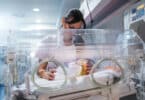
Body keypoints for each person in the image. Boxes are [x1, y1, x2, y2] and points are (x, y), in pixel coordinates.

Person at [37, 9, 92, 80]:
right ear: (64, 22)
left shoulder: (79, 43)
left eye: (77, 30)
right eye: (72, 28)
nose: (74, 32)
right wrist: (44, 73)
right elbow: (39, 70)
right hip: (53, 82)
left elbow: (82, 66)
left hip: (72, 85)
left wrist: (86, 69)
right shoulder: (49, 41)